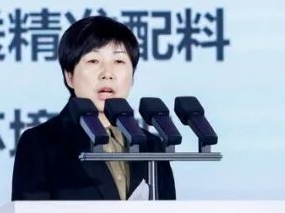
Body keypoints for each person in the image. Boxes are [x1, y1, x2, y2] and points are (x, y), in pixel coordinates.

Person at [11, 16, 177, 200]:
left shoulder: (152, 146)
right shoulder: (40, 143)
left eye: (119, 61)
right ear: (69, 76)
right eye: (93, 61)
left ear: (132, 77)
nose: (107, 74)